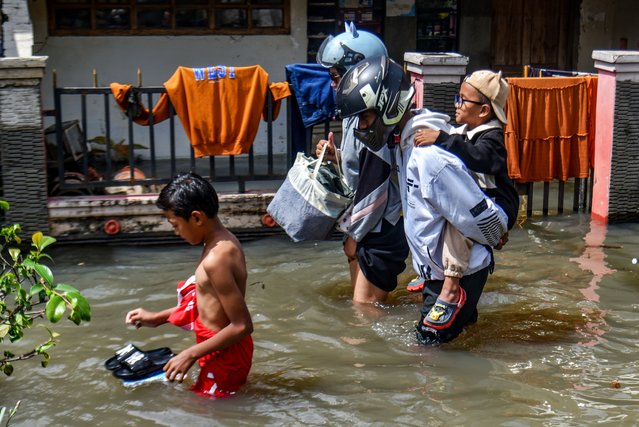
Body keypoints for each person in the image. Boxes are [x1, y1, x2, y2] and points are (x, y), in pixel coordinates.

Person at [335, 55, 508, 344]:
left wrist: (494, 235)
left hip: (456, 279)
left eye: (366, 118)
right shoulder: (404, 144)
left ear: (389, 107)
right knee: (461, 346)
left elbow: (475, 212)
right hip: (439, 274)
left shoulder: (428, 157)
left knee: (426, 360)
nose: (362, 128)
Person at [125, 172, 254, 397]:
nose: (176, 232)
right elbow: (207, 303)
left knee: (208, 411)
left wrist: (190, 354)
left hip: (224, 355)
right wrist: (158, 317)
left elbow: (242, 326)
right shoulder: (220, 242)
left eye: (176, 225)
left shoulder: (217, 259)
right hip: (218, 349)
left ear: (196, 218)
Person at [409, 70, 519, 330]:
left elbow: (480, 158)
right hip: (478, 205)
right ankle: (431, 272)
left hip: (497, 207)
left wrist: (443, 139)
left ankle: (451, 285)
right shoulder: (467, 130)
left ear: (483, 111)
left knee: (457, 226)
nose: (456, 105)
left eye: (462, 100)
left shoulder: (491, 137)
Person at [314, 22, 409, 304]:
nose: (332, 84)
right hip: (367, 224)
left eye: (335, 76)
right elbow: (365, 166)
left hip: (379, 226)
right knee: (366, 307)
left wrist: (354, 234)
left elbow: (375, 185)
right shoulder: (356, 112)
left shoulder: (376, 119)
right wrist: (338, 156)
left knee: (365, 312)